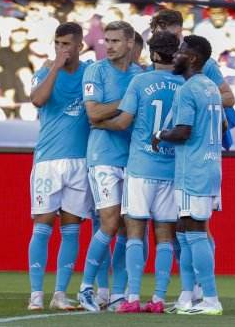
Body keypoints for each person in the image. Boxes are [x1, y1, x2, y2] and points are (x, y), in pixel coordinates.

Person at [93, 31, 182, 313]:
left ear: (154, 54)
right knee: (165, 235)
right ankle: (158, 299)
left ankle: (131, 297)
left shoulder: (140, 81)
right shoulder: (184, 84)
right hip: (170, 168)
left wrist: (98, 125)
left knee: (134, 232)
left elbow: (121, 123)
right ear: (175, 54)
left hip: (141, 168)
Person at [151, 35, 223, 315]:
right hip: (207, 166)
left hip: (194, 169)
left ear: (192, 57)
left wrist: (160, 134)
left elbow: (183, 132)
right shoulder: (211, 87)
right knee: (184, 231)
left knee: (195, 232)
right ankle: (187, 296)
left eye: (180, 52)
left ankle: (211, 299)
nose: (175, 57)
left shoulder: (188, 89)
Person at [27, 22, 93, 311]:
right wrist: (55, 67)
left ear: (79, 46)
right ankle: (35, 295)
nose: (61, 49)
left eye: (67, 44)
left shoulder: (90, 73)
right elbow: (38, 100)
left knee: (72, 228)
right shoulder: (44, 72)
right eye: (57, 43)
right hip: (48, 161)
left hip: (80, 160)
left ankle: (59, 294)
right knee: (42, 225)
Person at [78, 21, 143, 312]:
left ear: (130, 44)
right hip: (103, 156)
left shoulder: (139, 75)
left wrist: (112, 111)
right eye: (107, 40)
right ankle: (86, 288)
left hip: (131, 158)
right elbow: (93, 112)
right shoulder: (96, 70)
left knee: (129, 229)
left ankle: (117, 293)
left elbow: (106, 114)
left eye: (116, 40)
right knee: (109, 222)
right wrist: (129, 101)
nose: (110, 45)